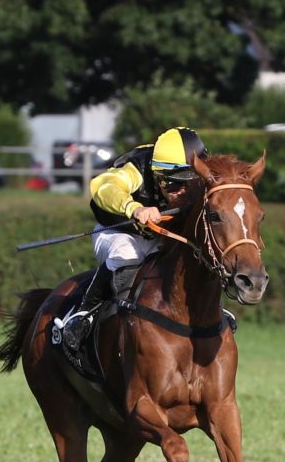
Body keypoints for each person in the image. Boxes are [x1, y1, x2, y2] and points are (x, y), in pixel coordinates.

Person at [57, 126, 207, 350]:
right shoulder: (137, 166)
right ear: (157, 174)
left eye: (189, 183)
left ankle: (211, 312)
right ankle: (83, 315)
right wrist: (134, 209)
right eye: (173, 183)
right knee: (127, 255)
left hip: (161, 238)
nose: (181, 192)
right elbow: (103, 187)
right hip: (118, 233)